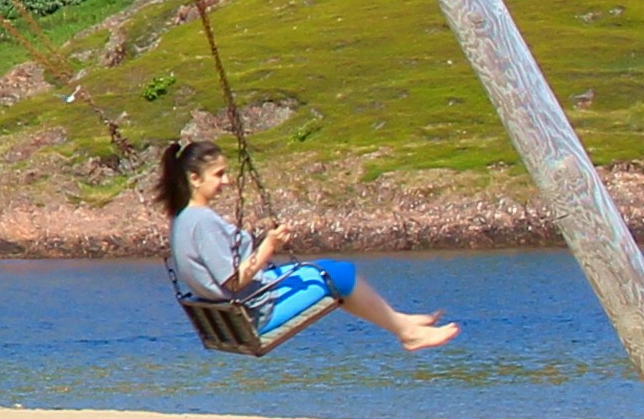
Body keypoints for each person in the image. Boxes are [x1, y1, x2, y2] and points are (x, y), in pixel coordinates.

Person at [160, 138, 456, 351]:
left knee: (328, 269)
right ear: (194, 179)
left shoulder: (183, 219)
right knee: (340, 277)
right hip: (253, 311)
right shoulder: (204, 223)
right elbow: (234, 281)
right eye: (219, 174)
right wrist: (269, 245)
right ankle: (407, 334)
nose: (227, 181)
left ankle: (398, 321)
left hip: (234, 307)